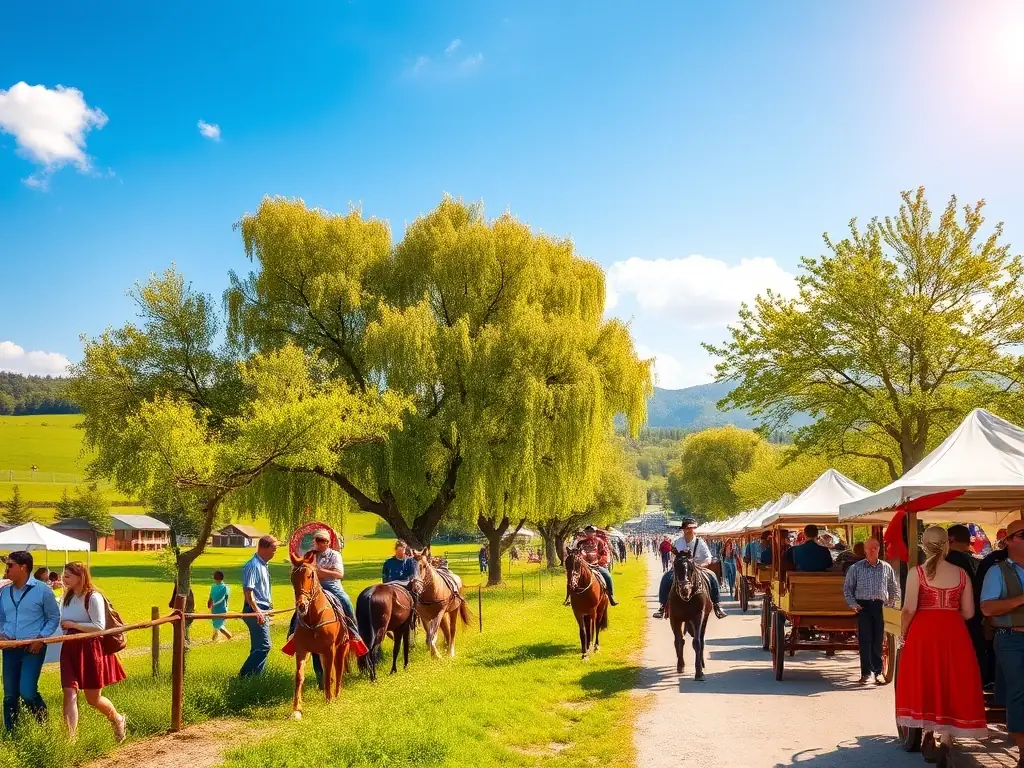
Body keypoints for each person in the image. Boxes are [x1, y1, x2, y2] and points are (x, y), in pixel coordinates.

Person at [897, 527, 986, 755]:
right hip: (955, 632)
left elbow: (908, 609)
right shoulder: (962, 574)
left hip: (924, 632)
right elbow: (968, 612)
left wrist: (903, 632)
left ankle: (928, 731)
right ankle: (946, 736)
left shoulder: (917, 573)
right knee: (950, 678)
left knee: (926, 677)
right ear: (947, 543)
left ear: (924, 545)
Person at [59, 561, 127, 743]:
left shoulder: (93, 597)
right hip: (69, 648)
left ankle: (117, 719)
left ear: (80, 577)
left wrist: (74, 625)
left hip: (90, 649)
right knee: (69, 691)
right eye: (64, 575)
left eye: (68, 576)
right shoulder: (67, 596)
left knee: (93, 698)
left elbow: (99, 626)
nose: (64, 579)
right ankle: (70, 741)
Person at [0, 550, 61, 731]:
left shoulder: (43, 590)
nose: (7, 569)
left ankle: (44, 728)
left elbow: (53, 617)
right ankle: (12, 733)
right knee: (10, 695)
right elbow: (1, 618)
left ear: (23, 567)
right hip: (10, 648)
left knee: (27, 692)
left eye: (10, 565)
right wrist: (2, 633)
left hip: (32, 649)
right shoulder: (4, 592)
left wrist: (41, 639)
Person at [981, 518, 1024, 764]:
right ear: (1009, 541)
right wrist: (1020, 599)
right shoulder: (997, 571)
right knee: (1019, 693)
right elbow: (987, 608)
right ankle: (1023, 752)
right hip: (1011, 639)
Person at [842, 537, 900, 684]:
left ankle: (878, 672)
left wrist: (891, 604)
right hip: (864, 607)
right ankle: (865, 673)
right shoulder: (856, 568)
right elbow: (848, 589)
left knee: (878, 640)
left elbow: (893, 588)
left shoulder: (886, 567)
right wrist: (853, 604)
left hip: (881, 606)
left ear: (879, 549)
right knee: (865, 640)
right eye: (869, 548)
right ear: (864, 550)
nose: (871, 551)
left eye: (874, 548)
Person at [653, 519, 727, 620]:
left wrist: (701, 565)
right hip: (681, 569)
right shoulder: (677, 543)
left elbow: (708, 558)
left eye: (692, 528)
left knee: (712, 576)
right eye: (688, 528)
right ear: (684, 530)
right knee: (665, 578)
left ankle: (717, 605)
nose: (690, 530)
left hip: (698, 568)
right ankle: (662, 606)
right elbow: (672, 558)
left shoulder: (700, 542)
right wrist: (677, 564)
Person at [240, 535, 277, 677]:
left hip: (262, 609)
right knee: (264, 646)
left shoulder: (263, 565)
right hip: (253, 610)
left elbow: (261, 590)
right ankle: (243, 676)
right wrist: (258, 611)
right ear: (264, 547)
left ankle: (256, 679)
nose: (275, 552)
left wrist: (268, 607)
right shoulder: (253, 565)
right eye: (273, 549)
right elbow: (248, 592)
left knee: (258, 647)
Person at [565, 525, 617, 606]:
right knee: (572, 578)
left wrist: (601, 563)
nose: (590, 533)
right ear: (585, 532)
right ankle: (569, 598)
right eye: (588, 531)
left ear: (594, 532)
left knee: (607, 576)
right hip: (583, 566)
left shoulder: (600, 542)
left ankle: (610, 596)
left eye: (591, 531)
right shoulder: (580, 543)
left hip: (596, 566)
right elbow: (578, 554)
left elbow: (605, 553)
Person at [208, 571, 232, 642]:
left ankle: (229, 636)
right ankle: (214, 640)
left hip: (214, 609)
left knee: (217, 625)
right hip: (223, 608)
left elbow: (210, 598)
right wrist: (227, 607)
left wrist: (209, 605)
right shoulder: (226, 587)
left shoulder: (213, 587)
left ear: (214, 578)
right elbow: (227, 598)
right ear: (223, 578)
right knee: (218, 625)